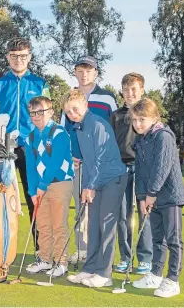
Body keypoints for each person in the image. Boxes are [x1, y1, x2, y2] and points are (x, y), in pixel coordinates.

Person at [0, 37, 51, 254]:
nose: (18, 60)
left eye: (23, 56)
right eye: (14, 56)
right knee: (3, 200)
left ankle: (42, 252)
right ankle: (2, 248)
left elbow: (47, 116)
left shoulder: (40, 84)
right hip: (6, 148)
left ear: (29, 57)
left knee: (35, 199)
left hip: (32, 149)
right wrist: (0, 130)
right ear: (8, 57)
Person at [62, 89, 127, 288]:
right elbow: (87, 162)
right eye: (68, 112)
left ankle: (104, 274)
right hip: (96, 181)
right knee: (92, 226)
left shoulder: (98, 124)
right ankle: (90, 268)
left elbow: (99, 160)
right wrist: (85, 188)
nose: (72, 113)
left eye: (75, 109)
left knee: (106, 226)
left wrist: (90, 186)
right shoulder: (79, 128)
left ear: (85, 105)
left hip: (112, 179)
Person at [60, 56, 118, 264]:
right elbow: (62, 133)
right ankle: (83, 250)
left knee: (103, 211)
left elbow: (115, 130)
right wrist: (68, 155)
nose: (84, 74)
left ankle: (101, 253)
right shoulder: (67, 98)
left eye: (89, 70)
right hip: (78, 164)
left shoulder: (107, 98)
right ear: (75, 72)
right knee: (81, 210)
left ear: (95, 72)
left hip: (102, 165)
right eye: (80, 70)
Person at [130, 98, 184, 298]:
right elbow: (141, 170)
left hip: (170, 196)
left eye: (142, 119)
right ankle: (155, 274)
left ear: (155, 118)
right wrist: (142, 196)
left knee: (173, 239)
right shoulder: (140, 140)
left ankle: (172, 280)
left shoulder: (164, 136)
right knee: (157, 239)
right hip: (151, 197)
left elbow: (161, 168)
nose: (137, 124)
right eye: (135, 120)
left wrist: (151, 194)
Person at [24, 96, 74, 277]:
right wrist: (32, 191)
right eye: (32, 113)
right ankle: (45, 259)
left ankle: (61, 262)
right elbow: (30, 167)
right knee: (42, 224)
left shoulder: (60, 133)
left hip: (59, 183)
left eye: (40, 112)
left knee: (58, 225)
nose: (36, 116)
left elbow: (55, 162)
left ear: (51, 112)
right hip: (40, 187)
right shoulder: (30, 137)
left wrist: (42, 185)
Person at [110, 73, 152, 275]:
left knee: (144, 213)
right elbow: (110, 145)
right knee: (123, 216)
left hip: (143, 168)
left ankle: (145, 258)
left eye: (134, 89)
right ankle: (125, 257)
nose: (129, 93)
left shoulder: (149, 115)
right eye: (126, 90)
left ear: (142, 90)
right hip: (121, 168)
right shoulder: (117, 115)